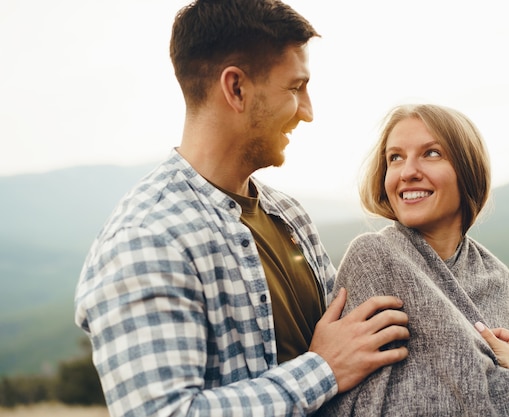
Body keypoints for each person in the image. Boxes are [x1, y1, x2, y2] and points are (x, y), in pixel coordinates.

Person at [73, 1, 410, 416]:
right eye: (295, 88)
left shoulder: (290, 215)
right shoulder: (147, 238)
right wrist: (322, 369)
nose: (308, 111)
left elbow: (358, 353)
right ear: (235, 88)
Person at [315, 104, 509, 416]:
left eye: (431, 153)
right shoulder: (374, 259)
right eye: (395, 157)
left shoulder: (494, 277)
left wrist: (506, 389)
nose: (407, 172)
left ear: (467, 169)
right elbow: (361, 408)